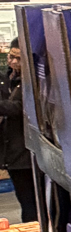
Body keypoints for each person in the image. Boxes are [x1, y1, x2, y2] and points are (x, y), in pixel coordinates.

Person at [0, 38, 37, 222]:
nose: (13, 61)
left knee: (31, 203)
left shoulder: (32, 82)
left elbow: (19, 108)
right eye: (11, 56)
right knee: (24, 199)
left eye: (18, 58)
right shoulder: (7, 78)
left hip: (26, 153)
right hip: (11, 153)